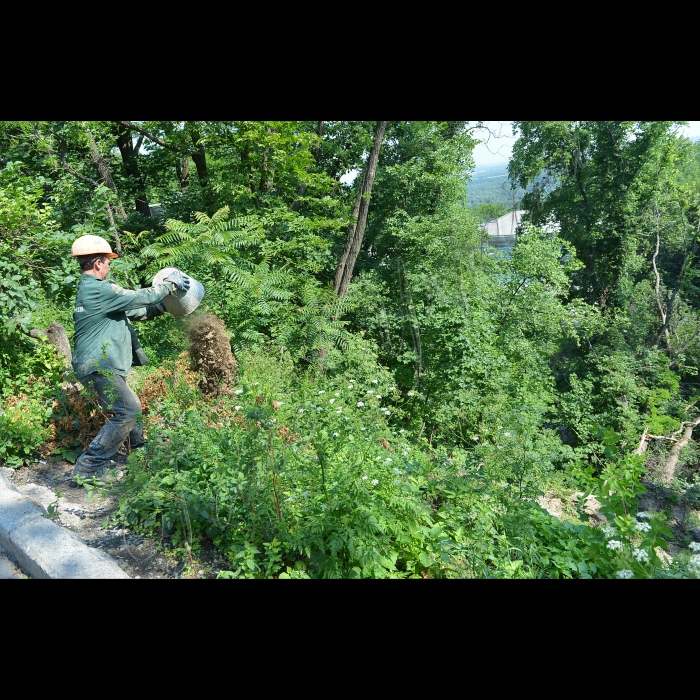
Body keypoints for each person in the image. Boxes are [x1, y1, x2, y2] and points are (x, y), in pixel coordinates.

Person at [68, 234, 190, 487]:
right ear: (99, 263)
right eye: (108, 261)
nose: (110, 265)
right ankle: (88, 467)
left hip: (100, 364)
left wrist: (166, 306)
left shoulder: (98, 293)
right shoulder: (98, 289)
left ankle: (139, 451)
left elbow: (137, 310)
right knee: (128, 410)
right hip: (97, 365)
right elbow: (138, 297)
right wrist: (169, 286)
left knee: (128, 406)